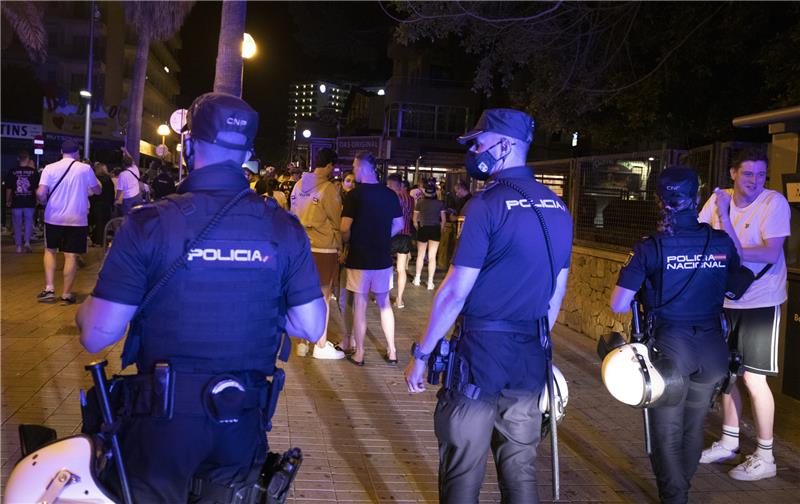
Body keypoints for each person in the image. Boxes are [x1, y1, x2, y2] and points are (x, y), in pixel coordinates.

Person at [75, 92, 326, 502]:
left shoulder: (149, 224)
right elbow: (313, 326)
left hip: (160, 427)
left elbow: (96, 335)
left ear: (189, 146)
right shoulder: (282, 227)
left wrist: (84, 310)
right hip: (242, 421)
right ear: (246, 152)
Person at [404, 108, 572, 503]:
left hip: (481, 353)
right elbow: (556, 294)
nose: (474, 150)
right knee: (520, 466)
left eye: (479, 142)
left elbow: (455, 291)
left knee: (463, 466)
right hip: (530, 354)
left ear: (505, 144)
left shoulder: (486, 205)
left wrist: (422, 353)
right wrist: (533, 342)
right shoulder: (559, 208)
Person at [610, 166, 740, 504]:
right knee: (693, 426)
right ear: (697, 199)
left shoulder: (650, 247)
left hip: (671, 352)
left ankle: (675, 496)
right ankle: (680, 490)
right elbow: (738, 286)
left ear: (659, 202)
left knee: (665, 432)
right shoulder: (720, 241)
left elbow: (619, 304)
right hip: (713, 351)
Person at [697, 148, 791, 481]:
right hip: (725, 300)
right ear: (733, 173)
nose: (754, 181)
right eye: (748, 173)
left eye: (760, 174)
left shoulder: (773, 203)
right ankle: (728, 441)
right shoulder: (718, 199)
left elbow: (770, 250)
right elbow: (703, 239)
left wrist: (725, 220)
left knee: (754, 377)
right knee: (727, 374)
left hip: (760, 302)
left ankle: (766, 457)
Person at [340, 151, 403, 365]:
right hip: (382, 257)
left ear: (363, 168)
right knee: (385, 303)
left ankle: (359, 353)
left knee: (360, 304)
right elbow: (399, 225)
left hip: (359, 257)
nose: (354, 170)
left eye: (355, 167)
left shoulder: (355, 195)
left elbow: (344, 227)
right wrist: (381, 236)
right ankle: (392, 351)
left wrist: (349, 239)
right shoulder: (389, 194)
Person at [291, 148, 345, 360]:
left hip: (303, 248)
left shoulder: (297, 185)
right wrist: (340, 246)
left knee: (305, 295)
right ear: (330, 165)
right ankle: (321, 345)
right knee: (323, 298)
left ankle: (303, 343)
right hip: (324, 248)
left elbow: (292, 214)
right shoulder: (328, 188)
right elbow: (336, 221)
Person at [35, 140, 101, 304]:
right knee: (71, 256)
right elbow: (97, 190)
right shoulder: (85, 169)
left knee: (50, 250)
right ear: (77, 153)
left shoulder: (49, 168)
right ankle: (66, 294)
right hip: (77, 218)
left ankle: (49, 289)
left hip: (53, 217)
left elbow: (41, 193)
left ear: (61, 151)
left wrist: (43, 201)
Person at [387, 173, 414, 308]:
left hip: (392, 235)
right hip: (405, 236)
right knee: (401, 269)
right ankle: (399, 299)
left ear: (392, 185)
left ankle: (384, 296)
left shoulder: (390, 198)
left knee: (387, 267)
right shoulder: (410, 199)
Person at [413, 182, 446, 290]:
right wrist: (440, 229)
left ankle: (417, 279)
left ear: (425, 192)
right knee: (432, 257)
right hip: (435, 229)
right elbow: (443, 220)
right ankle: (430, 282)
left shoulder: (420, 203)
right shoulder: (440, 203)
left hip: (423, 228)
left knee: (421, 255)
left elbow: (414, 219)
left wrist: (418, 228)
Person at [4, 150, 39, 253]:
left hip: (16, 202)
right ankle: (27, 242)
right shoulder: (34, 172)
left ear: (18, 159)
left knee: (17, 224)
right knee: (28, 222)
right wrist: (38, 199)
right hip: (29, 201)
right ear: (28, 159)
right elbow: (36, 188)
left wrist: (7, 200)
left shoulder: (12, 171)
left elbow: (9, 188)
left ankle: (18, 246)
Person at [89, 162, 115, 247]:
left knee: (97, 223)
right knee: (104, 224)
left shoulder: (95, 179)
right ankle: (103, 241)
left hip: (97, 205)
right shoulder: (109, 179)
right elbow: (112, 193)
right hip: (106, 205)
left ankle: (96, 241)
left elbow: (93, 193)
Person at [115, 147, 143, 216]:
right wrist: (126, 151)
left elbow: (119, 190)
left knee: (127, 217)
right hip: (138, 196)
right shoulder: (135, 168)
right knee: (137, 215)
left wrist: (116, 199)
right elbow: (131, 159)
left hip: (128, 199)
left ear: (123, 164)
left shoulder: (122, 174)